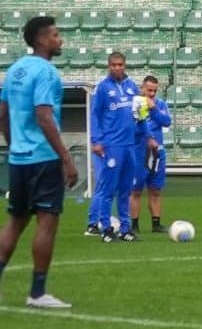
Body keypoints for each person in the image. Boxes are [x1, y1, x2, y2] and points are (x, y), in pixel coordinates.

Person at [0, 16, 78, 309]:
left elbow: (2, 115)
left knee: (15, 221)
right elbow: (44, 117)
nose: (60, 40)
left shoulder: (15, 70)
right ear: (42, 40)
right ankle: (37, 293)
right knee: (47, 221)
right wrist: (66, 158)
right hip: (44, 158)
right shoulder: (46, 72)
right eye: (56, 35)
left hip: (19, 159)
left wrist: (14, 145)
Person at [86, 51, 139, 241]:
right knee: (108, 189)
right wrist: (96, 140)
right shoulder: (102, 87)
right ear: (109, 66)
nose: (117, 68)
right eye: (114, 65)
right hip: (112, 145)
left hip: (130, 145)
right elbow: (95, 115)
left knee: (125, 190)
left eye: (120, 65)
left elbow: (139, 114)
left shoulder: (132, 86)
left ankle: (125, 229)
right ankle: (106, 228)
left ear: (125, 65)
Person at [131, 75, 173, 233]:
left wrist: (153, 108)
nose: (152, 94)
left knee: (155, 189)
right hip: (139, 152)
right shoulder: (134, 104)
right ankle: (134, 225)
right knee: (135, 190)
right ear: (142, 88)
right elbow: (131, 127)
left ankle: (156, 223)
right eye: (149, 90)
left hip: (157, 153)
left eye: (155, 91)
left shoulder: (160, 104)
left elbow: (166, 121)